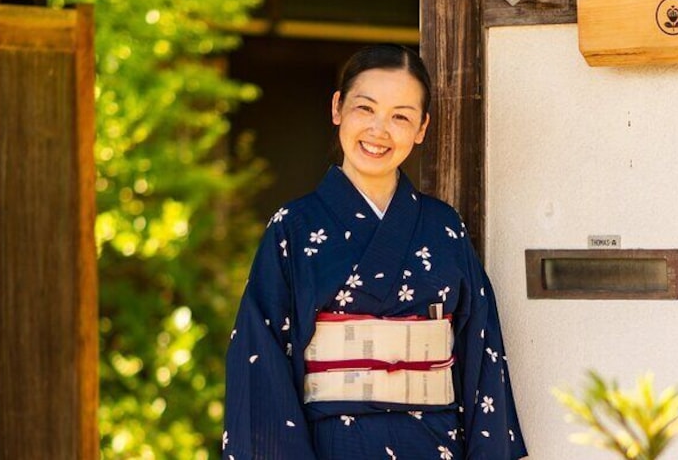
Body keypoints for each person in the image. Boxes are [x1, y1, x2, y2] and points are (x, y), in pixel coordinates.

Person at [223, 44, 527, 460]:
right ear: (337, 108)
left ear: (422, 128)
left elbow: (481, 354)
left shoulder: (443, 227)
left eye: (401, 116)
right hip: (332, 446)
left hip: (433, 443)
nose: (379, 130)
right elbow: (261, 360)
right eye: (365, 109)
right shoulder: (294, 227)